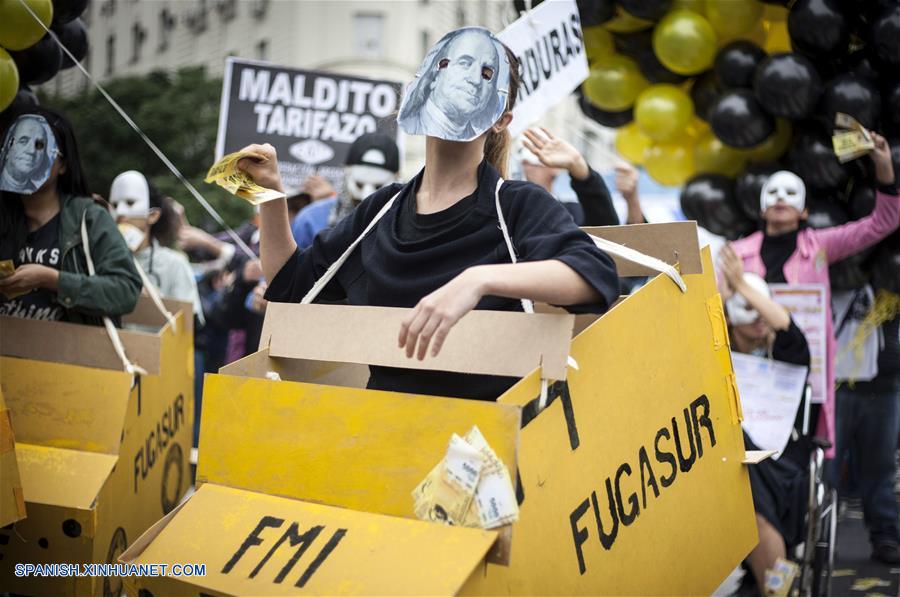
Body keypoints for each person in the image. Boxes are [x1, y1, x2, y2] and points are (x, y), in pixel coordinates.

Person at [240, 27, 619, 400]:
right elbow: (289, 285)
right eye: (451, 64)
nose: (465, 80)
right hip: (385, 435)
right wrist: (270, 192)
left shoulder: (516, 204)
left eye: (486, 74)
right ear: (424, 85)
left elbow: (595, 276)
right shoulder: (381, 210)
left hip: (483, 447)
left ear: (503, 119)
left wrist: (478, 281)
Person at [728, 139, 900, 455]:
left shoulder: (819, 247)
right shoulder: (736, 256)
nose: (781, 199)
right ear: (762, 206)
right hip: (750, 378)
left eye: (791, 194)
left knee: (799, 458)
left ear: (805, 209)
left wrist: (884, 166)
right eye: (773, 193)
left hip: (805, 378)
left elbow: (883, 223)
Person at [719, 246, 811, 596]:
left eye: (762, 305)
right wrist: (722, 302)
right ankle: (776, 583)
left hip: (783, 462)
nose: (758, 316)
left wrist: (742, 285)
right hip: (734, 461)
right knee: (742, 463)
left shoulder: (788, 352)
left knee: (753, 489)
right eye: (747, 307)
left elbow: (786, 326)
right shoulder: (718, 353)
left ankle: (775, 586)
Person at [0, 108, 140, 324]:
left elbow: (126, 290)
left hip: (66, 354)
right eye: (19, 141)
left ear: (64, 164)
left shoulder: (90, 218)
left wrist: (53, 280)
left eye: (40, 144)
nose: (27, 151)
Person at [109, 170, 203, 321]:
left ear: (153, 215)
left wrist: (157, 303)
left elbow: (189, 323)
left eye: (130, 203)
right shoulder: (103, 261)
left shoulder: (175, 264)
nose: (120, 212)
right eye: (114, 205)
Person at [291, 133, 400, 250]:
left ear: (397, 177)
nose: (367, 197)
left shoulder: (403, 226)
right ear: (346, 172)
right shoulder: (310, 220)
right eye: (359, 184)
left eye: (378, 186)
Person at [398, 27, 508, 142]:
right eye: (464, 63)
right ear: (435, 76)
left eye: (486, 74)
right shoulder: (412, 128)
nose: (476, 80)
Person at [520, 128, 645, 227]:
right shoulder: (512, 212)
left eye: (535, 163)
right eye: (524, 162)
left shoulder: (573, 212)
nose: (527, 168)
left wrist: (580, 169)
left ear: (555, 168)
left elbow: (606, 228)